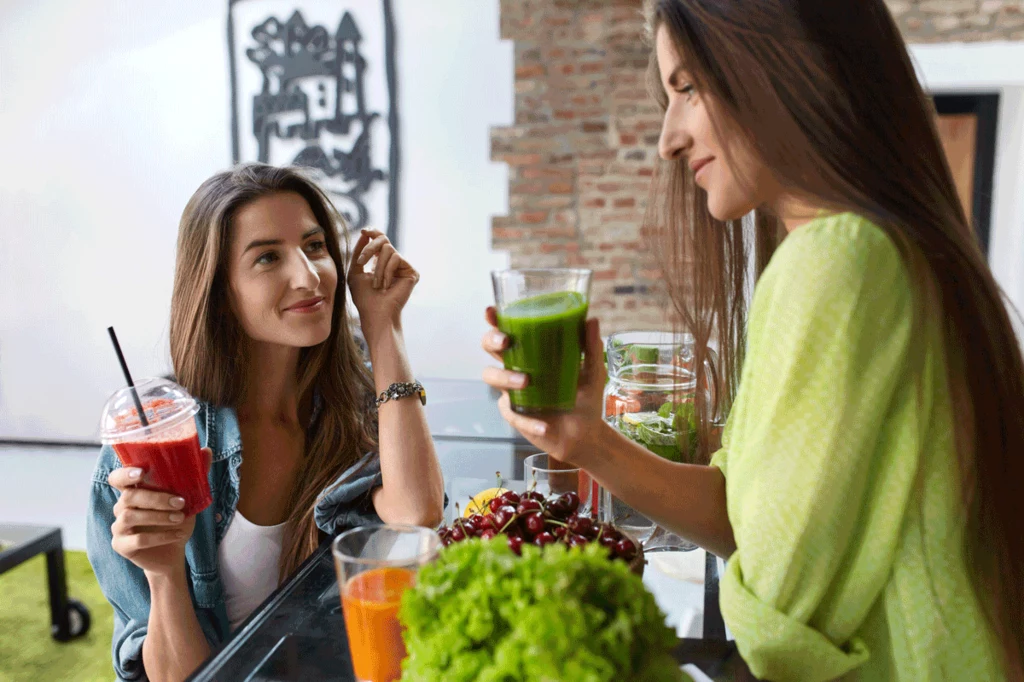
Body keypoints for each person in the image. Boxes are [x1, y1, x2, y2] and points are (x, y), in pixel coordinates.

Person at [482, 1, 1023, 680]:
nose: (667, 139)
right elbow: (749, 521)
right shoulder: (878, 247)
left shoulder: (835, 258)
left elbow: (772, 612)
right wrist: (586, 441)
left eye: (686, 89)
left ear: (776, 63)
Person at [87, 163, 444, 682]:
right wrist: (163, 573)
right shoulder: (149, 450)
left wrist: (384, 326)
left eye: (315, 245)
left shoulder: (349, 396)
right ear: (218, 290)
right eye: (268, 257)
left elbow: (415, 516)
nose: (308, 275)